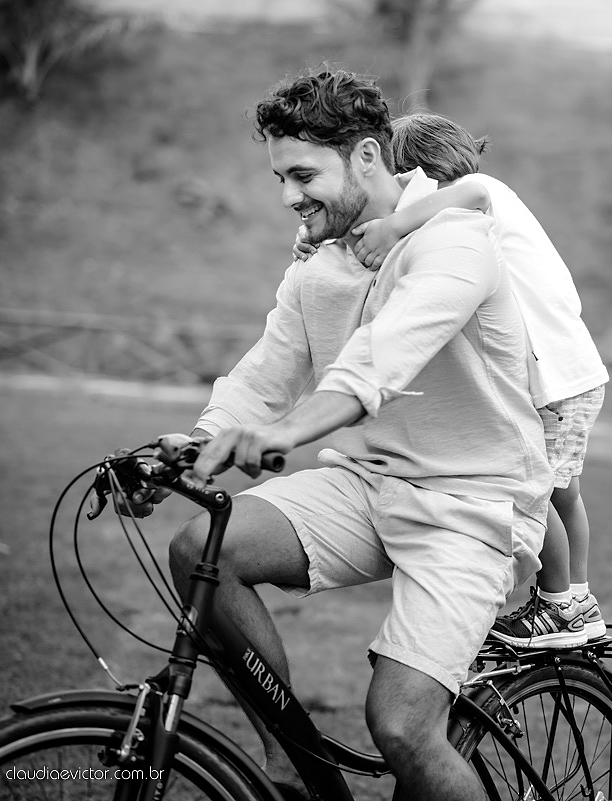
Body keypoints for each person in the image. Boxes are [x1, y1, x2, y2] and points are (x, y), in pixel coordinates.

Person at [160, 69, 552, 801]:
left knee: (402, 726)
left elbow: (380, 359)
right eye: (279, 176)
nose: (288, 196)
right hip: (365, 484)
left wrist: (283, 433)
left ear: (367, 157)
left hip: (470, 502)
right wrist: (195, 442)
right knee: (203, 550)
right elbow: (265, 372)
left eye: (303, 174)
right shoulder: (320, 260)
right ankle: (298, 768)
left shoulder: (455, 241)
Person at [294, 111, 610, 649]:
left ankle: (568, 604)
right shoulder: (454, 225)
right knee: (562, 491)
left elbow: (469, 195)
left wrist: (395, 222)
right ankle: (571, 597)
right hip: (556, 373)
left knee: (543, 489)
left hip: (559, 377)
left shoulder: (477, 198)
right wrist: (321, 241)